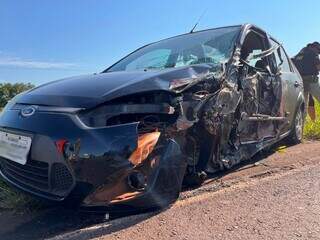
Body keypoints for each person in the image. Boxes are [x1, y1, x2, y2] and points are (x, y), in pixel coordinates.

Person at [292, 42, 320, 121]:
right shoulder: (313, 53)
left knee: (303, 108)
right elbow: (318, 66)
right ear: (315, 48)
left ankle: (300, 131)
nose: (318, 53)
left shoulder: (300, 53)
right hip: (312, 82)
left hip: (300, 82)